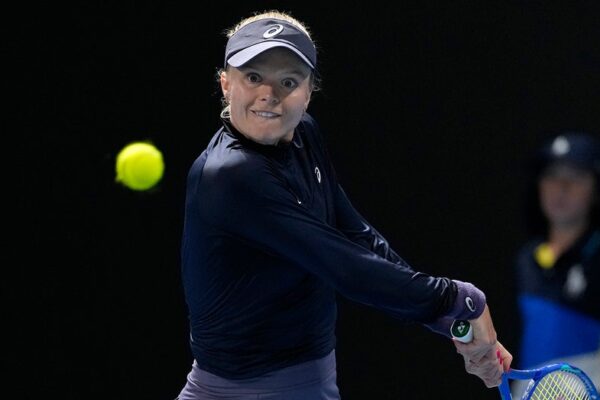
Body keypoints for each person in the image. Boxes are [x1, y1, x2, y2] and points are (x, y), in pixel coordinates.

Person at [177, 10, 512, 399]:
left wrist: (448, 319)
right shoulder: (230, 176)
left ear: (309, 93)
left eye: (288, 81)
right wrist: (461, 299)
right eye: (253, 77)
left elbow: (357, 235)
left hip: (308, 382)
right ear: (225, 84)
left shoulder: (305, 135)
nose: (269, 94)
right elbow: (346, 268)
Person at [513, 132, 600, 393]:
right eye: (551, 176)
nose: (561, 188)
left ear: (596, 190)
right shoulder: (526, 259)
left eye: (576, 177)